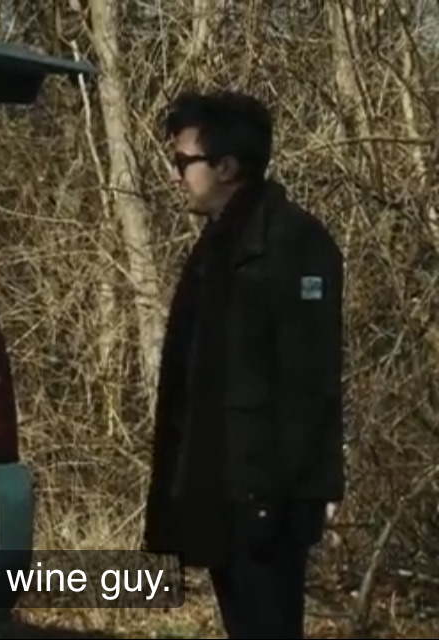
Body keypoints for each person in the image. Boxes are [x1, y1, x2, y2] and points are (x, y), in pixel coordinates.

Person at [141, 90, 345, 639]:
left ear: (227, 166)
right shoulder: (217, 246)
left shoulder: (292, 244)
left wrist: (275, 497)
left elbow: (309, 385)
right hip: (220, 490)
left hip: (265, 500)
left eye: (184, 161)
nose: (176, 175)